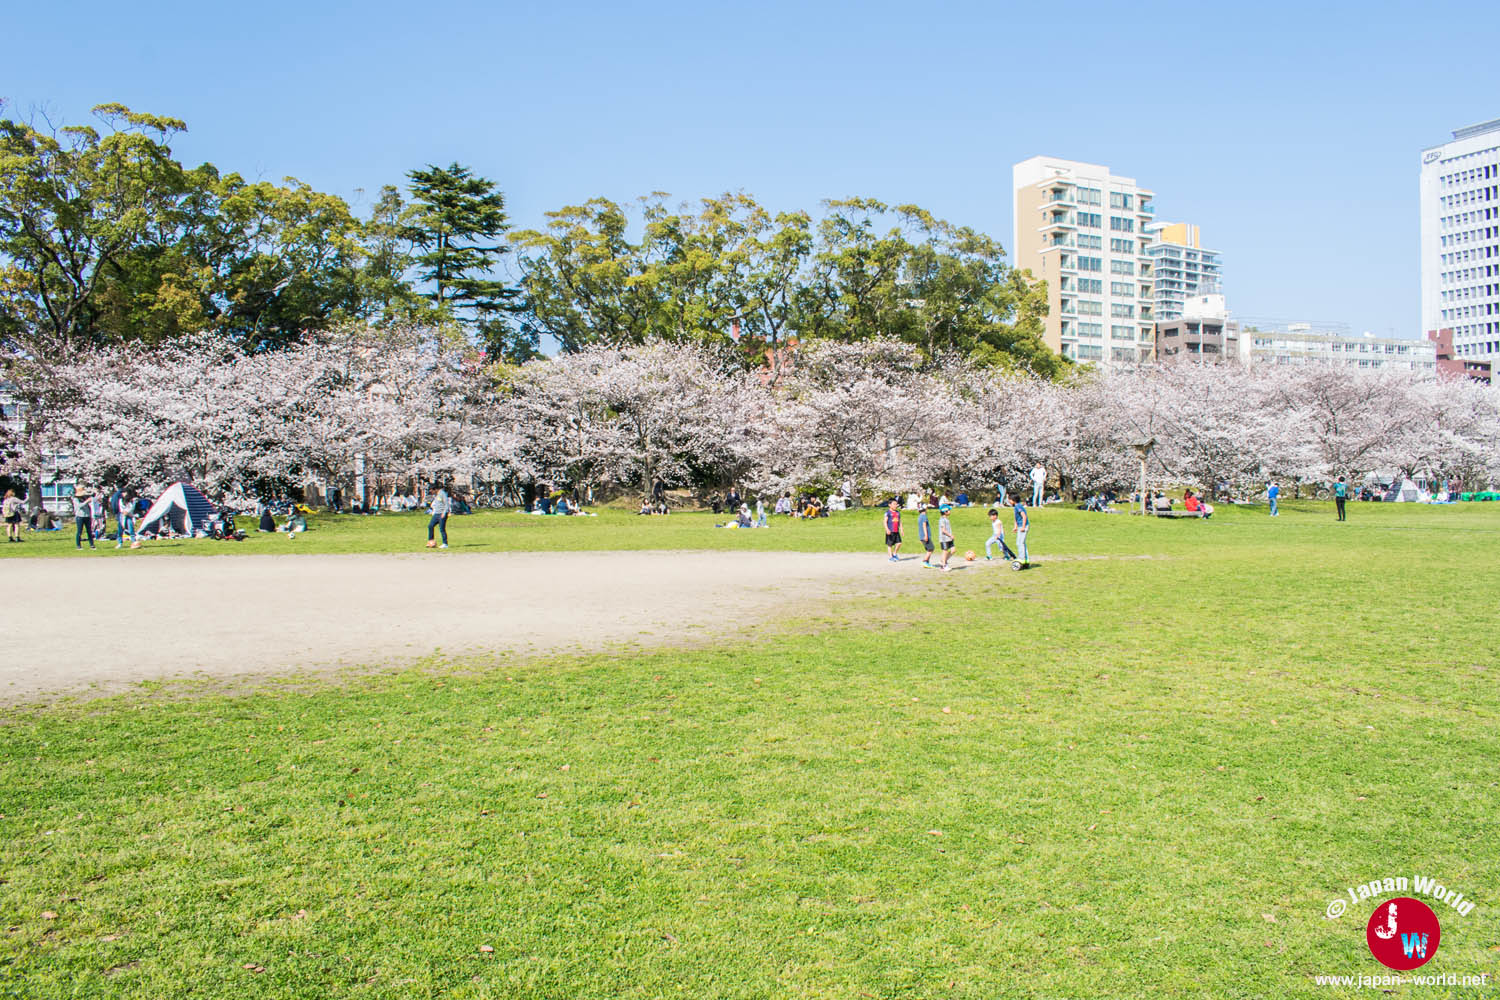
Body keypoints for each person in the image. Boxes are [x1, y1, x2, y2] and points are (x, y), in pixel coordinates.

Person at [937, 504, 956, 571]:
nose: (950, 511)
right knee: (944, 551)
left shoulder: (946, 519)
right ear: (945, 512)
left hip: (949, 538)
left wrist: (951, 536)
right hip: (944, 539)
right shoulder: (942, 520)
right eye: (949, 510)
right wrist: (950, 535)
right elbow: (943, 530)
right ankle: (943, 566)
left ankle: (943, 561)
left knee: (953, 550)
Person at [1013, 497, 1030, 565]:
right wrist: (1015, 527)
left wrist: (1023, 527)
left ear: (1013, 500)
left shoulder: (1018, 506)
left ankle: (1021, 558)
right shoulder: (1016, 506)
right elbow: (1016, 518)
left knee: (1020, 543)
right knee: (1021, 543)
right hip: (1020, 526)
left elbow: (1024, 516)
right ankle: (1026, 559)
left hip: (1023, 526)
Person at [916, 503, 934, 567]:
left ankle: (927, 563)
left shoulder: (920, 516)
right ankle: (925, 561)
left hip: (921, 535)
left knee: (928, 549)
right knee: (931, 548)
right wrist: (926, 535)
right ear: (925, 509)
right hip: (925, 536)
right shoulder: (924, 516)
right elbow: (924, 526)